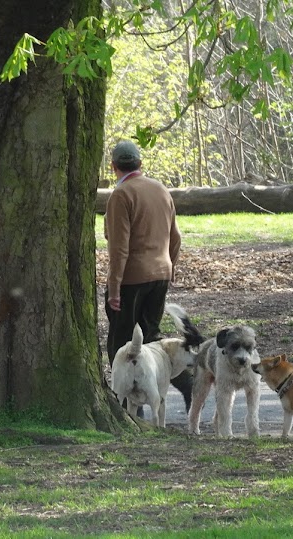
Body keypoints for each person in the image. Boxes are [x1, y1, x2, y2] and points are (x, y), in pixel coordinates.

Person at [104, 140, 191, 407]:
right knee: (151, 339)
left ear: (114, 167)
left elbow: (119, 246)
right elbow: (175, 237)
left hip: (132, 278)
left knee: (122, 342)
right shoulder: (161, 189)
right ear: (140, 164)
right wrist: (169, 266)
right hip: (160, 274)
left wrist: (115, 286)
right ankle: (187, 385)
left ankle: (127, 404)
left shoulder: (121, 195)